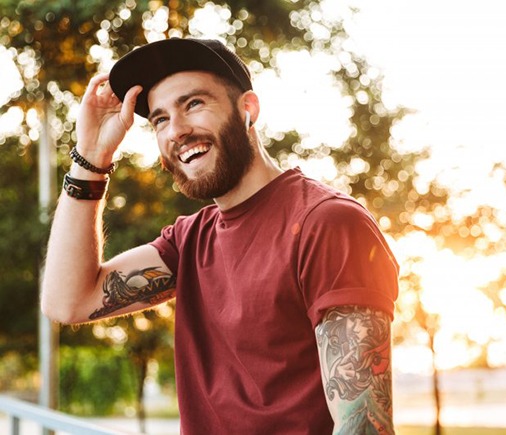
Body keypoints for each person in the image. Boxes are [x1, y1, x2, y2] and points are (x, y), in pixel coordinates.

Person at [41, 37, 399, 434]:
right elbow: (67, 302)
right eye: (160, 119)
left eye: (193, 104)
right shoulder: (190, 240)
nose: (176, 130)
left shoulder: (327, 223)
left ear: (248, 109)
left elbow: (363, 426)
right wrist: (91, 157)